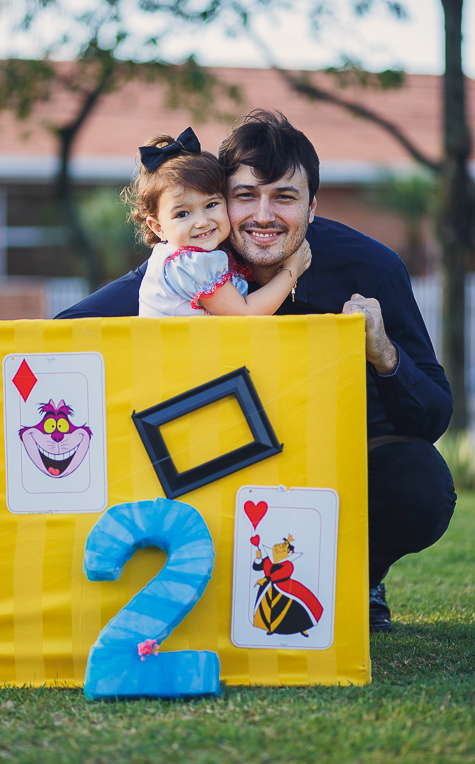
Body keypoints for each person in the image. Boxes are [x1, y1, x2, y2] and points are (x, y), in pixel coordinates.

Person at [57, 109, 457, 632]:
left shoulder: (371, 267)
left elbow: (433, 416)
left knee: (420, 485)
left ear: (312, 206)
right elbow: (67, 331)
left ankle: (357, 576)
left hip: (338, 451)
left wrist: (384, 354)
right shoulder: (192, 256)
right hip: (215, 450)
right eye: (245, 195)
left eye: (284, 197)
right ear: (220, 198)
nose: (262, 215)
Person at [126, 127, 311, 317]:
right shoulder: (190, 264)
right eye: (182, 214)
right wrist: (291, 270)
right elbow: (246, 314)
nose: (202, 222)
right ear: (158, 227)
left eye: (211, 204)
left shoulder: (186, 255)